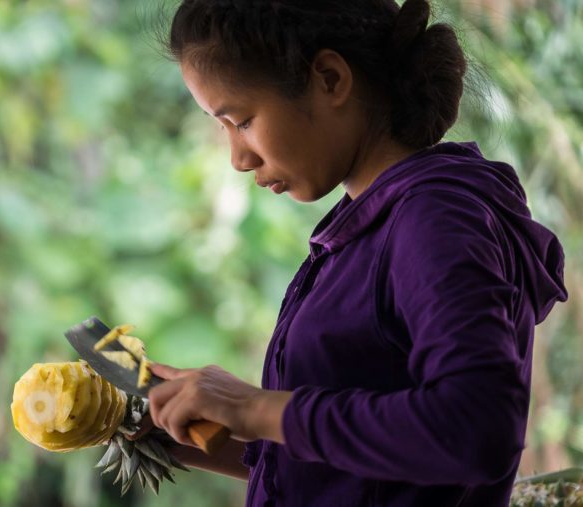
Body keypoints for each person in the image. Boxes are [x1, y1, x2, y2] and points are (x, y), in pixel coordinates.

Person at [138, 0, 569, 505]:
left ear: (329, 78)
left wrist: (255, 408)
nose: (238, 157)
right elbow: (356, 473)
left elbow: (476, 429)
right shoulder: (371, 224)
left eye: (242, 120)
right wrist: (176, 431)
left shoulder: (434, 219)